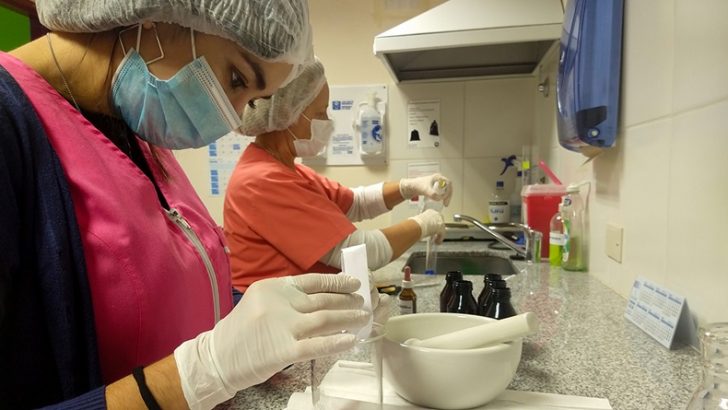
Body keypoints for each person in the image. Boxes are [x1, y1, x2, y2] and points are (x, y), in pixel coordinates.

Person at [0, 1, 380, 408]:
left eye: (254, 100)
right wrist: (201, 371)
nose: (235, 118)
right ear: (153, 13)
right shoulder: (12, 127)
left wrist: (261, 327)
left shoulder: (138, 127)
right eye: (237, 78)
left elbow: (169, 290)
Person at [223, 59, 453, 294]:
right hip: (272, 316)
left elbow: (355, 203)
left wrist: (410, 187)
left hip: (297, 308)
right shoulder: (262, 181)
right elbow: (360, 252)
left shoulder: (288, 169)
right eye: (320, 112)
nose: (327, 121)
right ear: (287, 113)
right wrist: (424, 223)